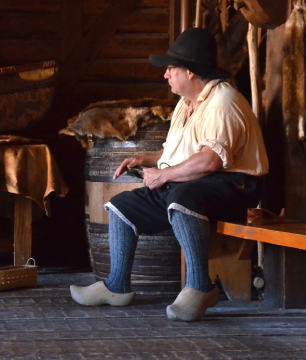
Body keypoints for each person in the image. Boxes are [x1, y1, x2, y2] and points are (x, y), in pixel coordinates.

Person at [70, 28, 269, 321]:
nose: (166, 75)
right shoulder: (184, 105)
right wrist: (145, 159)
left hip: (237, 184)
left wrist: (163, 176)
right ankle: (116, 287)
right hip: (200, 180)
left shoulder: (223, 102)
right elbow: (176, 155)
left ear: (190, 72)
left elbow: (210, 161)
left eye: (171, 69)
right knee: (122, 206)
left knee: (181, 195)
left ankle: (200, 286)